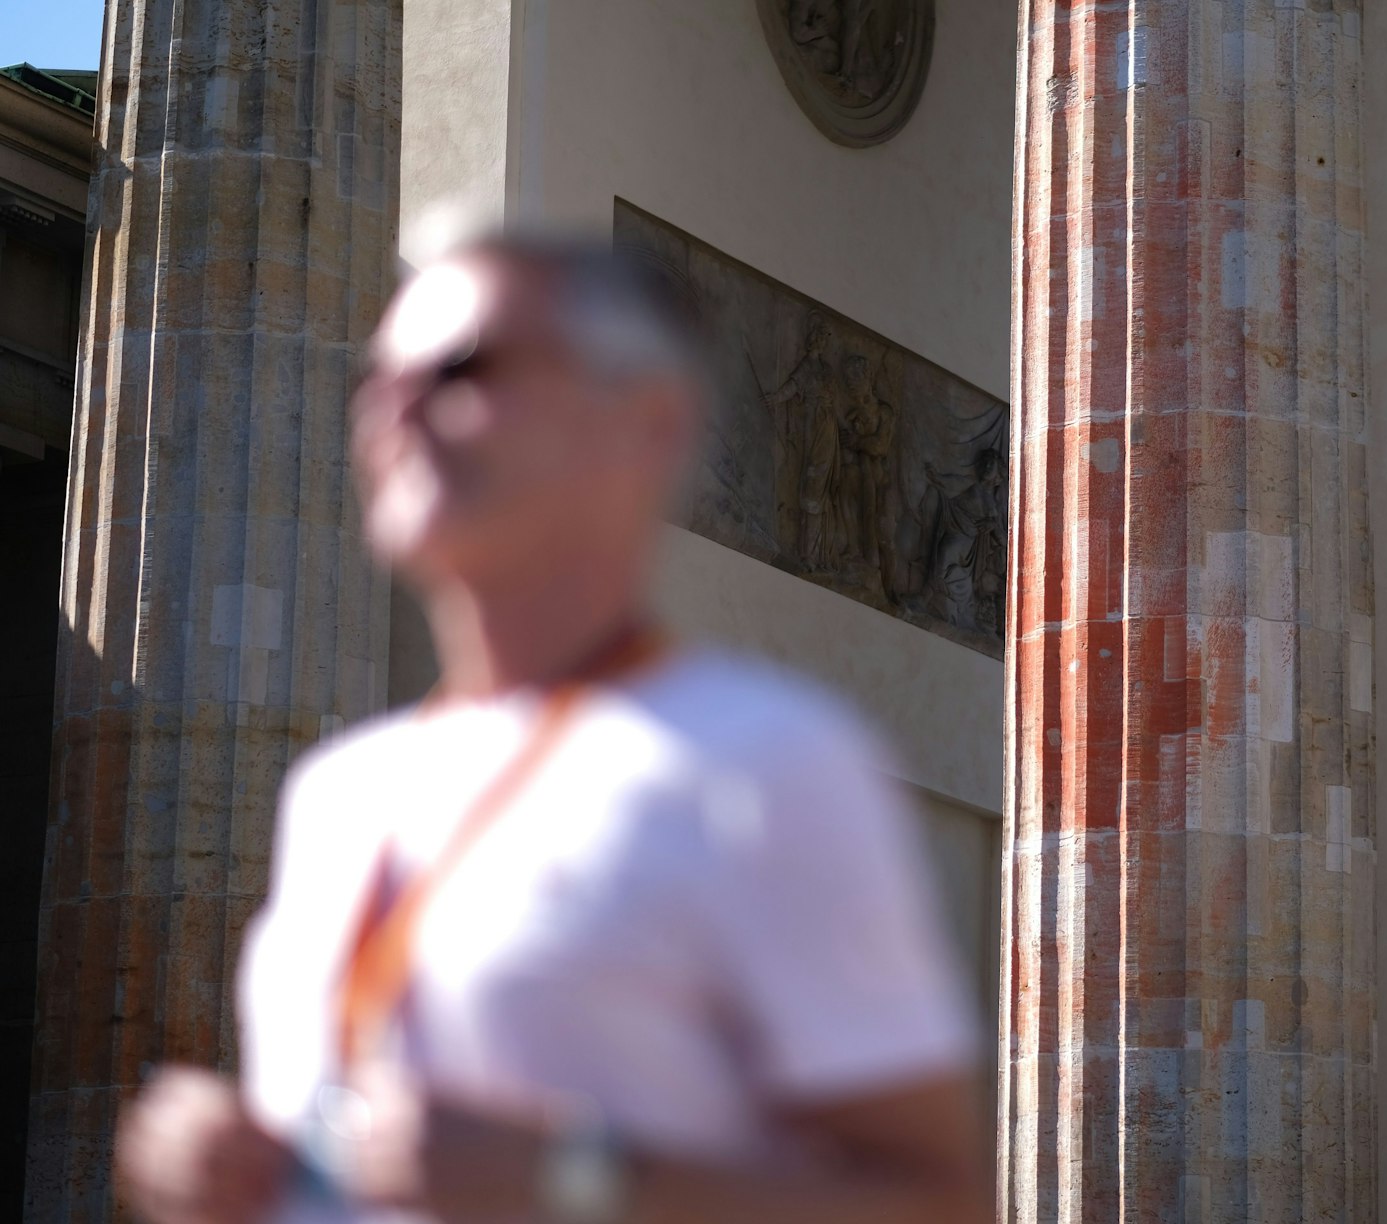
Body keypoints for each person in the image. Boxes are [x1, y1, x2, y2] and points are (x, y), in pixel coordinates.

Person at [115, 235, 988, 1224]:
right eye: (377, 375)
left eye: (463, 368)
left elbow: (938, 1202)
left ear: (646, 421)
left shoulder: (767, 764)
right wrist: (241, 1170)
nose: (394, 407)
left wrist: (573, 1179)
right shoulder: (337, 790)